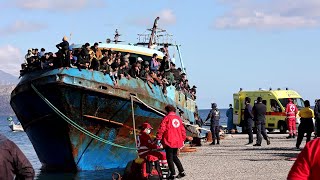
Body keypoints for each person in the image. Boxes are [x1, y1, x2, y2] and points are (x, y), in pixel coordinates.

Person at [156, 104, 186, 179]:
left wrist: (158, 138)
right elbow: (182, 130)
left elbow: (162, 129)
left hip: (169, 140)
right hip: (177, 140)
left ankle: (173, 174)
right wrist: (183, 139)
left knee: (169, 158)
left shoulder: (167, 118)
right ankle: (182, 171)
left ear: (167, 110)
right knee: (175, 156)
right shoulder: (178, 118)